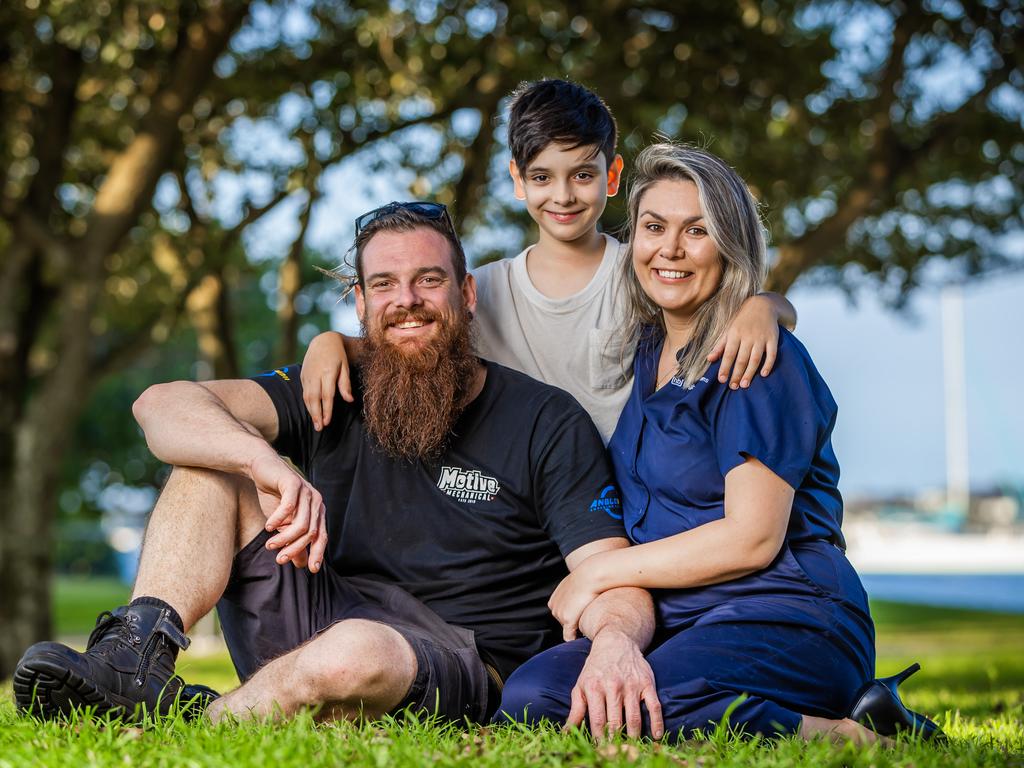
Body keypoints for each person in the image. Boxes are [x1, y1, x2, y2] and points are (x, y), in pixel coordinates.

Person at [13, 203, 660, 728]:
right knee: (208, 462)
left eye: (428, 280)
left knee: (355, 650)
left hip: (459, 656)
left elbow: (609, 572)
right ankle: (134, 657)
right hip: (323, 607)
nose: (406, 300)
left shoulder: (546, 420)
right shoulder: (334, 384)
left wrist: (615, 642)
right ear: (360, 301)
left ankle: (197, 726)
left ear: (465, 293)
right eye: (384, 284)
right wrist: (265, 462)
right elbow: (162, 406)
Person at [494, 144, 943, 743]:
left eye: (696, 231)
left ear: (729, 245)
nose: (670, 249)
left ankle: (857, 734)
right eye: (653, 228)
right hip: (684, 622)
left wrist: (598, 574)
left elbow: (752, 538)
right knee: (534, 696)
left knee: (646, 704)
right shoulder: (647, 349)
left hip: (787, 613)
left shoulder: (758, 361)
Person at [299, 79, 796, 443]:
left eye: (582, 175)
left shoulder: (644, 275)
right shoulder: (485, 290)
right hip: (523, 509)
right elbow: (410, 335)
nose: (563, 196)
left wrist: (764, 307)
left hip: (621, 508)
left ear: (612, 174)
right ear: (517, 179)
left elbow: (747, 312)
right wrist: (330, 342)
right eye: (542, 178)